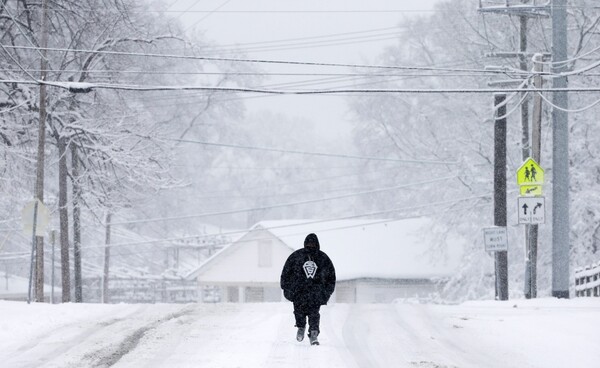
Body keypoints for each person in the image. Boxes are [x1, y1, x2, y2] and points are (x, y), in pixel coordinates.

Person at [280, 233, 336, 346]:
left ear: (317, 244)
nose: (311, 245)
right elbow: (286, 274)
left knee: (314, 314)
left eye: (313, 243)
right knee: (299, 312)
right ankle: (301, 327)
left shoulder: (323, 258)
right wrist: (288, 289)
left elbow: (331, 277)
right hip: (299, 293)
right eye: (309, 243)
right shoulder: (296, 256)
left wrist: (325, 293)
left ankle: (314, 334)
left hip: (315, 294)